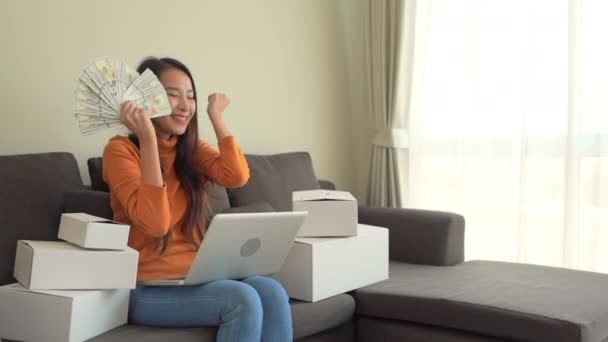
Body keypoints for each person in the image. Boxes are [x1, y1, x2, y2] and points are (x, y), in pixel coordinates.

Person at [102, 57, 292, 341]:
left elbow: (237, 176)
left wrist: (216, 116)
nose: (184, 105)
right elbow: (156, 224)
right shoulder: (120, 151)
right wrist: (148, 140)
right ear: (143, 97)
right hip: (144, 288)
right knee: (242, 299)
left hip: (197, 278)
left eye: (190, 97)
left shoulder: (189, 149)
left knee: (272, 291)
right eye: (173, 94)